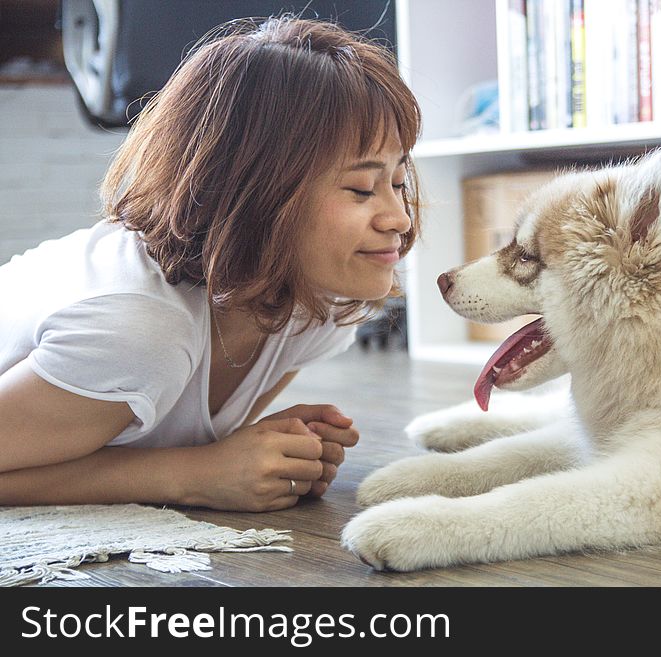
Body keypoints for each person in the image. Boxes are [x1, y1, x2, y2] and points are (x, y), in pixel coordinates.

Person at [0, 15, 421, 512]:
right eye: (359, 189)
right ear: (254, 193)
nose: (398, 218)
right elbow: (186, 464)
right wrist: (193, 474)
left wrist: (264, 453)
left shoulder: (317, 304)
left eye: (398, 182)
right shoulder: (138, 330)